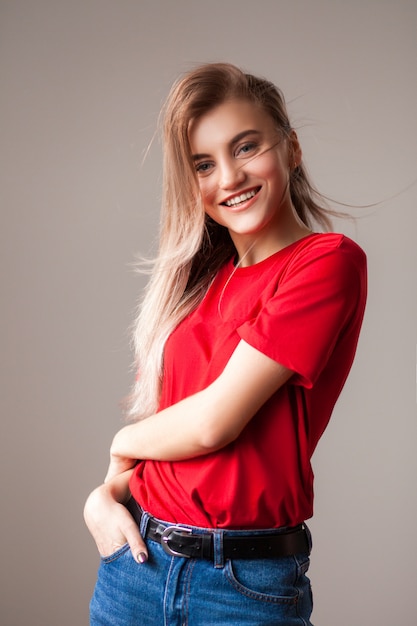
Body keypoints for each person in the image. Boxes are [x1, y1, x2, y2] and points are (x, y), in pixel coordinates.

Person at [84, 62, 367, 625]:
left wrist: (122, 443)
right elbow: (169, 424)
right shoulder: (196, 284)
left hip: (241, 586)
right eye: (204, 165)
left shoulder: (326, 262)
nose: (229, 178)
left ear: (291, 149)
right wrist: (101, 497)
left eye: (246, 147)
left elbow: (215, 423)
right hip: (136, 566)